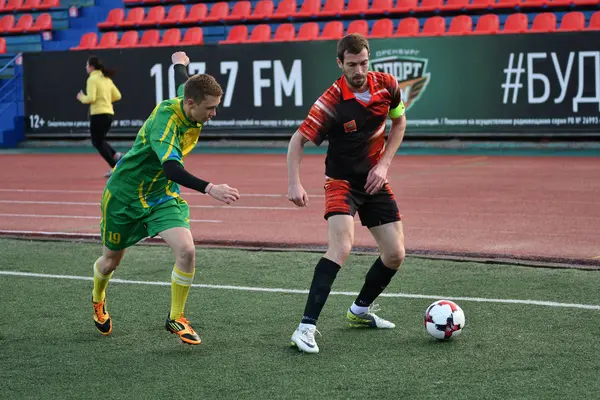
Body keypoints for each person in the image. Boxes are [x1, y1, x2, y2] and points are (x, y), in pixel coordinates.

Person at [91, 51, 240, 345]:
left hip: (160, 196)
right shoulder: (166, 121)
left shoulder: (188, 98)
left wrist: (179, 64)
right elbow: (171, 168)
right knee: (110, 262)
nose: (213, 114)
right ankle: (97, 298)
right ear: (190, 104)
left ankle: (176, 316)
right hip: (125, 195)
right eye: (210, 108)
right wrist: (210, 188)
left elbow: (182, 81)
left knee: (187, 250)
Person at [287, 33, 407, 354]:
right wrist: (294, 183)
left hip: (373, 180)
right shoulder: (330, 102)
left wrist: (383, 165)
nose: (359, 70)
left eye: (364, 62)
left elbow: (399, 122)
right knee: (342, 246)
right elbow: (297, 140)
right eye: (352, 64)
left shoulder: (387, 85)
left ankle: (359, 311)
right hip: (341, 182)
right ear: (340, 63)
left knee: (395, 255)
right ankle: (305, 328)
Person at [76, 56, 124, 178]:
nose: (86, 68)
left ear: (91, 67)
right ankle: (116, 155)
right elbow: (117, 95)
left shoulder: (92, 79)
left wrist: (81, 97)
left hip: (98, 114)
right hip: (109, 113)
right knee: (100, 140)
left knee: (97, 142)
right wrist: (106, 100)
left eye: (87, 65)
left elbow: (91, 98)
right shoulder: (106, 78)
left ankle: (115, 166)